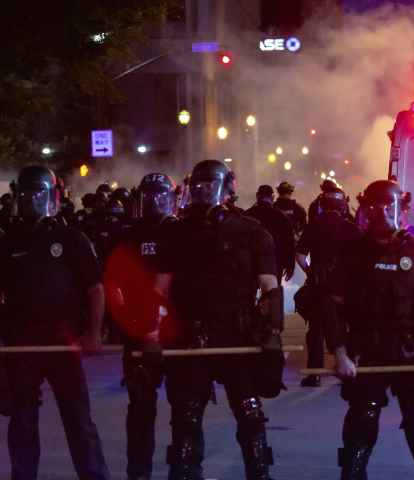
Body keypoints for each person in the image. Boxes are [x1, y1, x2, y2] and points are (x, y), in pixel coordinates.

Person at [154, 160, 285, 480]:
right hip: (191, 337)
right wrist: (151, 334)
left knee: (249, 415)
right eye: (197, 188)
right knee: (187, 419)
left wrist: (271, 336)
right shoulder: (176, 232)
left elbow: (270, 289)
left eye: (207, 187)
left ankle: (258, 473)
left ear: (227, 189)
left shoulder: (252, 232)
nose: (202, 194)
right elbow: (161, 289)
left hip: (236, 336)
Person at [329, 180, 414, 480]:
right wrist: (341, 353)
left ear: (403, 210)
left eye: (389, 206)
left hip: (412, 351)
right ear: (364, 211)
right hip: (366, 351)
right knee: (361, 423)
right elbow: (332, 308)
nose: (382, 214)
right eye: (374, 207)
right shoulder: (351, 254)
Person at [0, 165, 110, 480]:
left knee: (78, 419)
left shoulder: (71, 238)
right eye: (26, 194)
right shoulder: (8, 241)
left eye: (38, 194)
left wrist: (93, 333)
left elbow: (95, 288)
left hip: (63, 343)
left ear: (52, 196)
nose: (32, 200)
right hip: (22, 344)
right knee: (22, 421)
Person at [105, 172, 178, 480]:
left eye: (162, 197)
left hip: (176, 332)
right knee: (140, 408)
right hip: (140, 331)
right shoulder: (128, 234)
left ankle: (183, 469)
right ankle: (139, 472)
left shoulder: (181, 232)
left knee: (185, 409)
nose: (156, 204)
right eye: (150, 198)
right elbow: (112, 283)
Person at [296, 186, 360, 387]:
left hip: (319, 286)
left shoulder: (314, 225)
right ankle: (348, 370)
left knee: (316, 329)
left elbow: (300, 256)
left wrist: (310, 272)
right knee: (347, 326)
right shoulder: (351, 228)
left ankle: (314, 374)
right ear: (343, 206)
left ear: (322, 205)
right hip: (345, 287)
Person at [246, 185, 296, 285]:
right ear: (272, 197)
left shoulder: (247, 215)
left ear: (257, 196)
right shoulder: (281, 216)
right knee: (273, 294)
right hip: (275, 262)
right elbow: (289, 241)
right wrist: (290, 264)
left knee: (251, 294)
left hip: (251, 263)